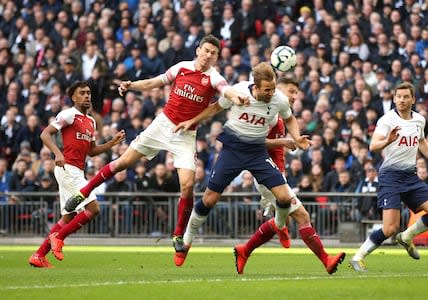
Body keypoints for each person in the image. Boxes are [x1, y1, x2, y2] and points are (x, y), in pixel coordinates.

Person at [63, 35, 247, 252]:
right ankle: (82, 192)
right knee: (122, 162)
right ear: (198, 50)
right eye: (206, 50)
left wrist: (237, 97)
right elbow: (153, 82)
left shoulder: (213, 77)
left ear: (217, 58)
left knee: (187, 186)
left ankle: (178, 235)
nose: (208, 55)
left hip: (186, 134)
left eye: (213, 53)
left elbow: (226, 89)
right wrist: (131, 85)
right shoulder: (181, 67)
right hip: (162, 124)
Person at [172, 62, 310, 267]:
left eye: (273, 88)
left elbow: (289, 118)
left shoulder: (278, 99)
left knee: (284, 197)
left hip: (257, 152)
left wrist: (297, 137)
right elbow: (215, 108)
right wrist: (192, 121)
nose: (271, 93)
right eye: (267, 90)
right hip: (233, 150)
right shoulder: (238, 91)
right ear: (255, 86)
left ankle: (279, 225)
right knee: (209, 200)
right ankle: (187, 242)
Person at [235, 76, 346, 275]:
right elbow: (251, 143)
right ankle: (326, 259)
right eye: (291, 91)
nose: (295, 96)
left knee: (280, 222)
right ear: (277, 90)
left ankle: (245, 250)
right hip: (266, 176)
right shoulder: (266, 114)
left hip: (277, 175)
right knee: (303, 216)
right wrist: (284, 142)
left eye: (297, 93)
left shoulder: (280, 114)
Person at [348, 82, 428, 272]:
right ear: (394, 99)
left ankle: (406, 237)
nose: (402, 100)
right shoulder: (387, 120)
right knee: (390, 228)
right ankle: (358, 257)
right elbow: (373, 146)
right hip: (390, 176)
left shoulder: (419, 120)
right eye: (398, 96)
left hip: (410, 176)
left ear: (413, 99)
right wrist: (387, 140)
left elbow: (421, 141)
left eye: (406, 96)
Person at [29, 81, 126, 268]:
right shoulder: (68, 114)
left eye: (88, 93)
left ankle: (39, 255)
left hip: (76, 170)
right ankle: (59, 237)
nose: (87, 96)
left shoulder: (91, 122)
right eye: (82, 93)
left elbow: (92, 151)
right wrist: (57, 153)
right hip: (68, 168)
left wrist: (112, 143)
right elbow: (45, 134)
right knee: (94, 209)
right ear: (73, 97)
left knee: (68, 217)